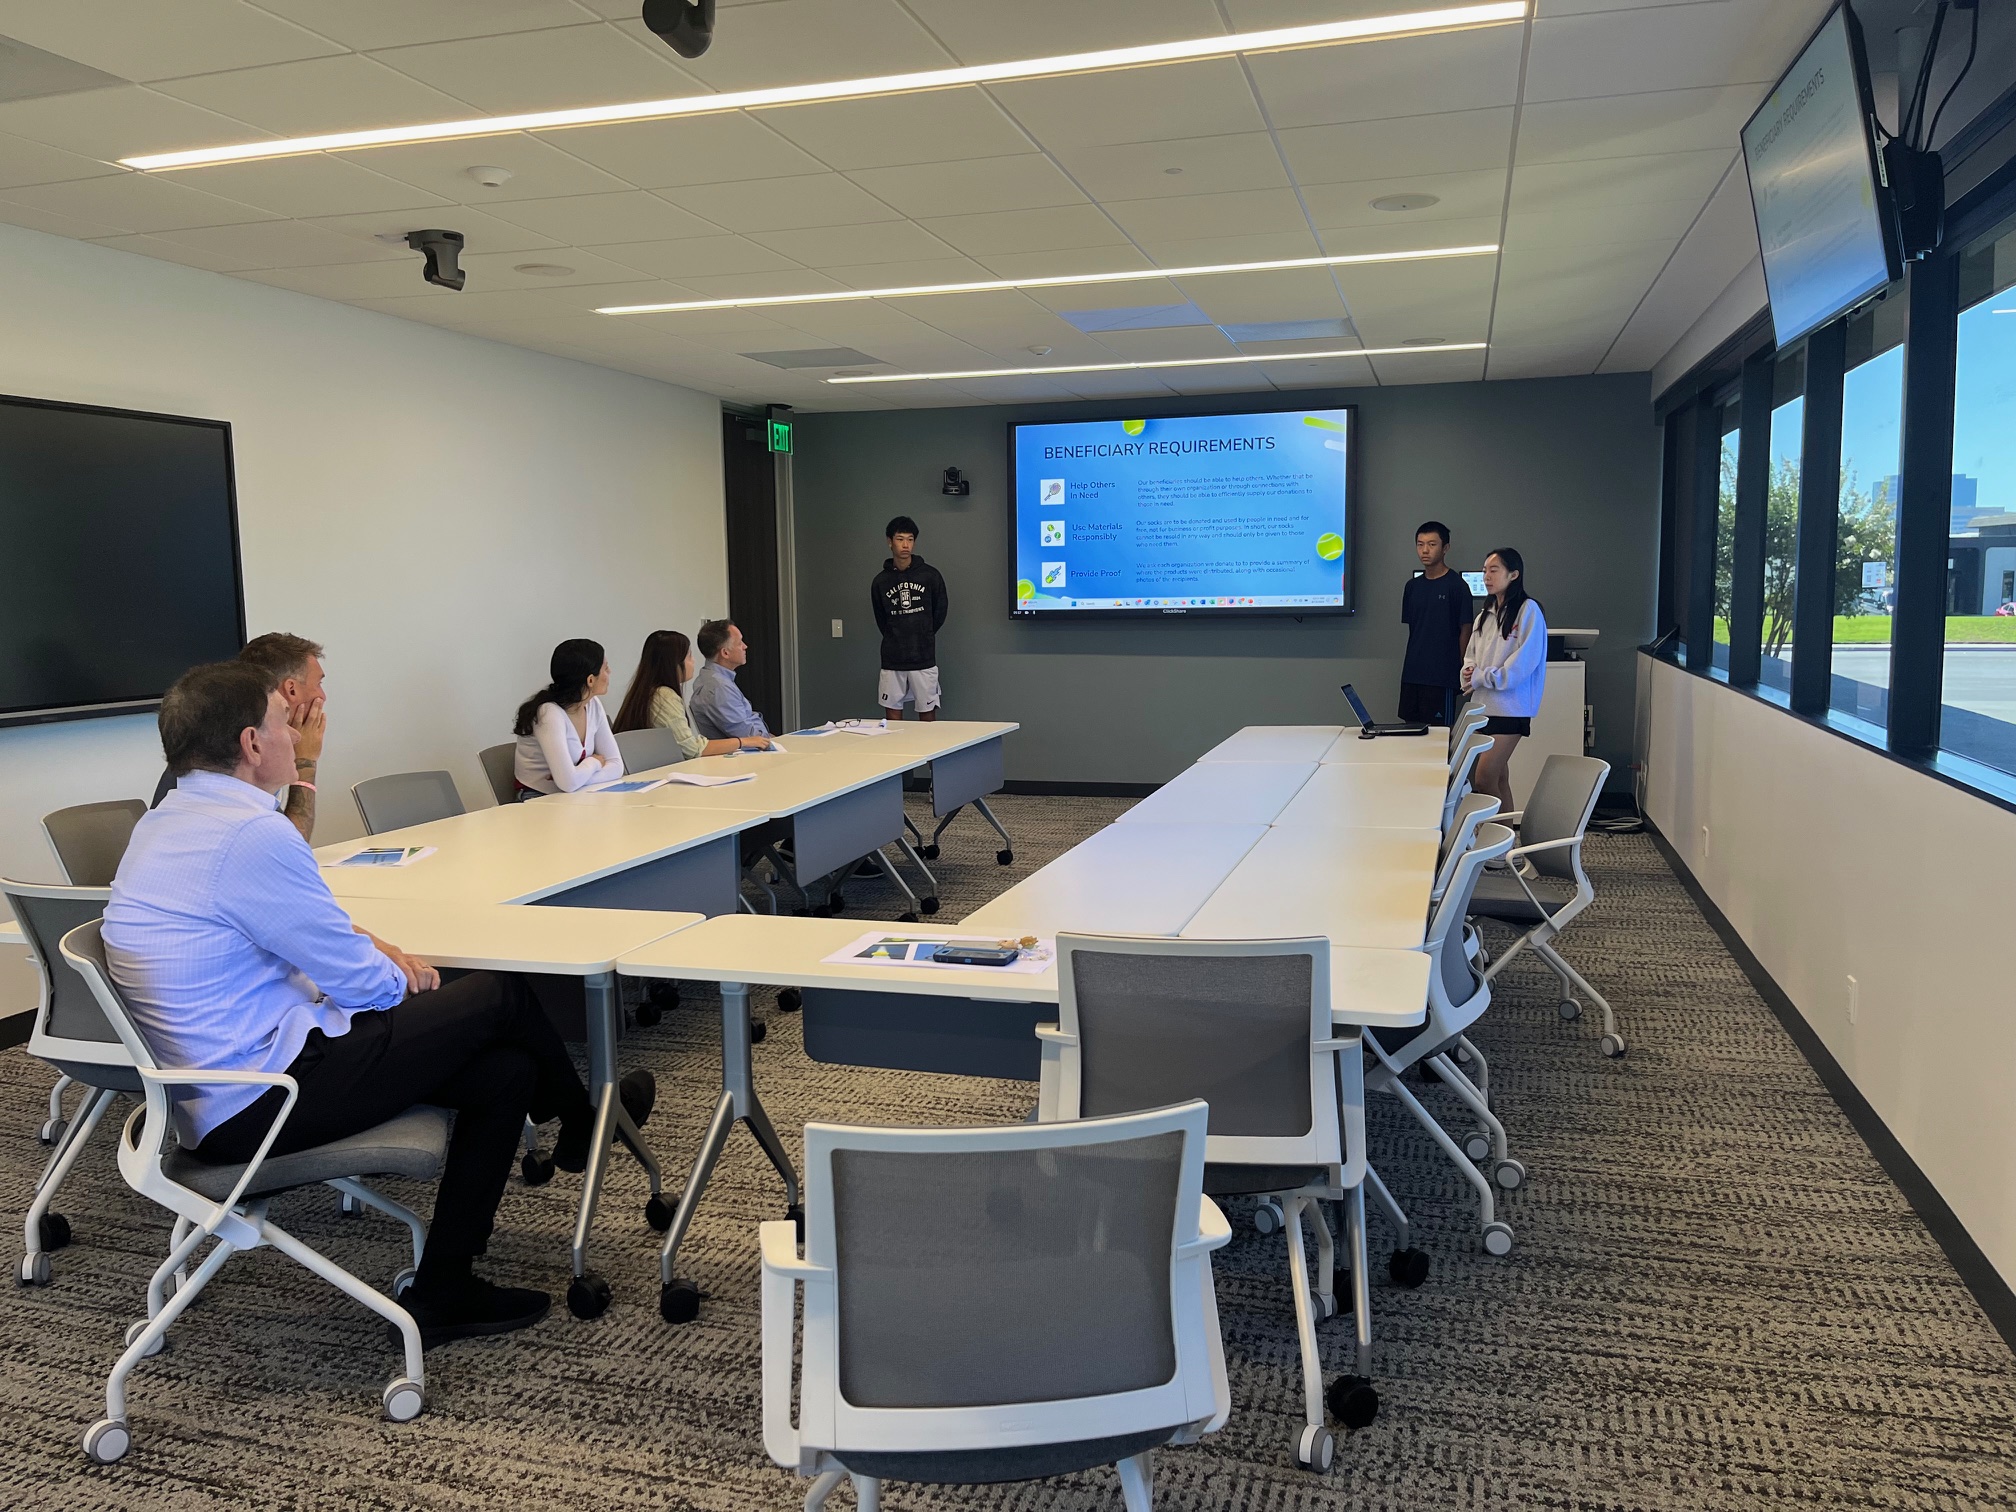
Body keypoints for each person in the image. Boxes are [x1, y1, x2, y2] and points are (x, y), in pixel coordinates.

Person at [105, 661, 652, 1345]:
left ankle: (445, 1288)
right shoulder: (249, 836)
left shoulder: (165, 823)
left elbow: (296, 941)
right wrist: (408, 978)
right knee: (499, 993)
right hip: (264, 1100)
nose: (296, 733)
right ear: (251, 743)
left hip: (210, 1096)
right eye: (283, 722)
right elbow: (365, 988)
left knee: (506, 1071)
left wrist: (381, 964)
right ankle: (582, 1122)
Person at [151, 632, 326, 842]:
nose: (322, 696)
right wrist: (306, 762)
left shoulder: (227, 740)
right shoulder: (232, 755)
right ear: (291, 689)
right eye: (319, 684)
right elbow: (288, 845)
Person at [1461, 547, 1548, 812]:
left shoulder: (1528, 610)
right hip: (1483, 707)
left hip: (1511, 708)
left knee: (1484, 778)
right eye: (1484, 571)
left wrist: (1482, 676)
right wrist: (1469, 672)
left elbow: (1522, 665)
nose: (1486, 576)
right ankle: (1504, 836)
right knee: (1499, 778)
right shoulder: (1485, 614)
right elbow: (1471, 655)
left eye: (1494, 570)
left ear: (1513, 574)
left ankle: (1492, 833)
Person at [611, 629, 772, 756]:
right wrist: (743, 742)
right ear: (674, 663)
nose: (693, 661)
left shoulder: (649, 691)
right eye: (689, 657)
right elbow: (691, 749)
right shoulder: (665, 696)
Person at [512, 639, 624, 796]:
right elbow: (568, 782)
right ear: (590, 680)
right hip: (537, 797)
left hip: (575, 793)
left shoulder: (593, 704)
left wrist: (579, 777)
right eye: (605, 668)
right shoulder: (548, 713)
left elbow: (616, 766)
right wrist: (594, 762)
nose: (609, 672)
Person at [871, 516, 949, 722]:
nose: (905, 545)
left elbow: (940, 611)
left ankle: (928, 748)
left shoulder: (930, 576)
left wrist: (924, 632)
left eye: (910, 539)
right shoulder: (880, 581)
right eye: (900, 539)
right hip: (892, 658)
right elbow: (881, 618)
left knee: (928, 715)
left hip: (923, 657)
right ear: (890, 542)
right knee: (892, 716)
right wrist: (896, 635)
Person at [1398, 522, 1473, 728]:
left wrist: (1462, 667)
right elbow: (1414, 629)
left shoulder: (1457, 586)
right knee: (1410, 732)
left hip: (1442, 676)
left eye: (1432, 544)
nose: (1425, 550)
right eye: (1420, 544)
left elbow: (1465, 630)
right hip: (1412, 673)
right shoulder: (1412, 587)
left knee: (1438, 735)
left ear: (1445, 548)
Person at [687, 619, 772, 741]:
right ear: (725, 653)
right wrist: (771, 739)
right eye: (739, 643)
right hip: (746, 751)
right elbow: (749, 736)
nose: (745, 646)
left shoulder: (712, 678)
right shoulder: (719, 687)